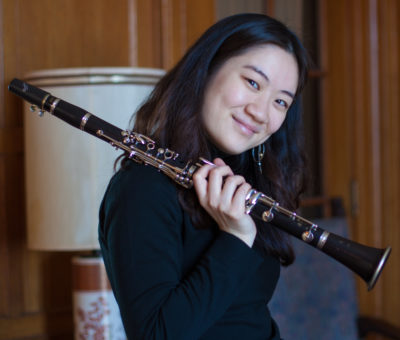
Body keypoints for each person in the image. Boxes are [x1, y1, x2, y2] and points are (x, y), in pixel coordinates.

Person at [98, 13, 309, 340]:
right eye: (252, 83)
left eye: (281, 102)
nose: (262, 112)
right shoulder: (141, 188)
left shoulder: (246, 186)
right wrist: (236, 238)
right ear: (207, 69)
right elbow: (157, 334)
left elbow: (249, 319)